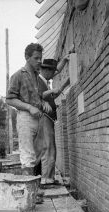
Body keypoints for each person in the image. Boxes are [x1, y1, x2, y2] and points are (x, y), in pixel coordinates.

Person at [6, 43, 51, 176]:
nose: (39, 61)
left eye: (40, 58)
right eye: (36, 58)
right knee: (27, 155)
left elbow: (36, 96)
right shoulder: (18, 75)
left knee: (40, 153)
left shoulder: (37, 77)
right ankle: (30, 192)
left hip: (39, 117)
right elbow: (9, 99)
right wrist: (29, 107)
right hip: (25, 118)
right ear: (27, 57)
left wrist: (43, 102)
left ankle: (36, 188)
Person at [36, 57, 69, 187]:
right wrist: (52, 90)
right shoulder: (38, 80)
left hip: (48, 117)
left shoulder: (45, 80)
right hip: (44, 117)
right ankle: (45, 179)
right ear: (46, 71)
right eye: (52, 72)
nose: (53, 74)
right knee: (48, 147)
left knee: (51, 147)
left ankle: (48, 177)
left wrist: (65, 60)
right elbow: (38, 95)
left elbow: (57, 71)